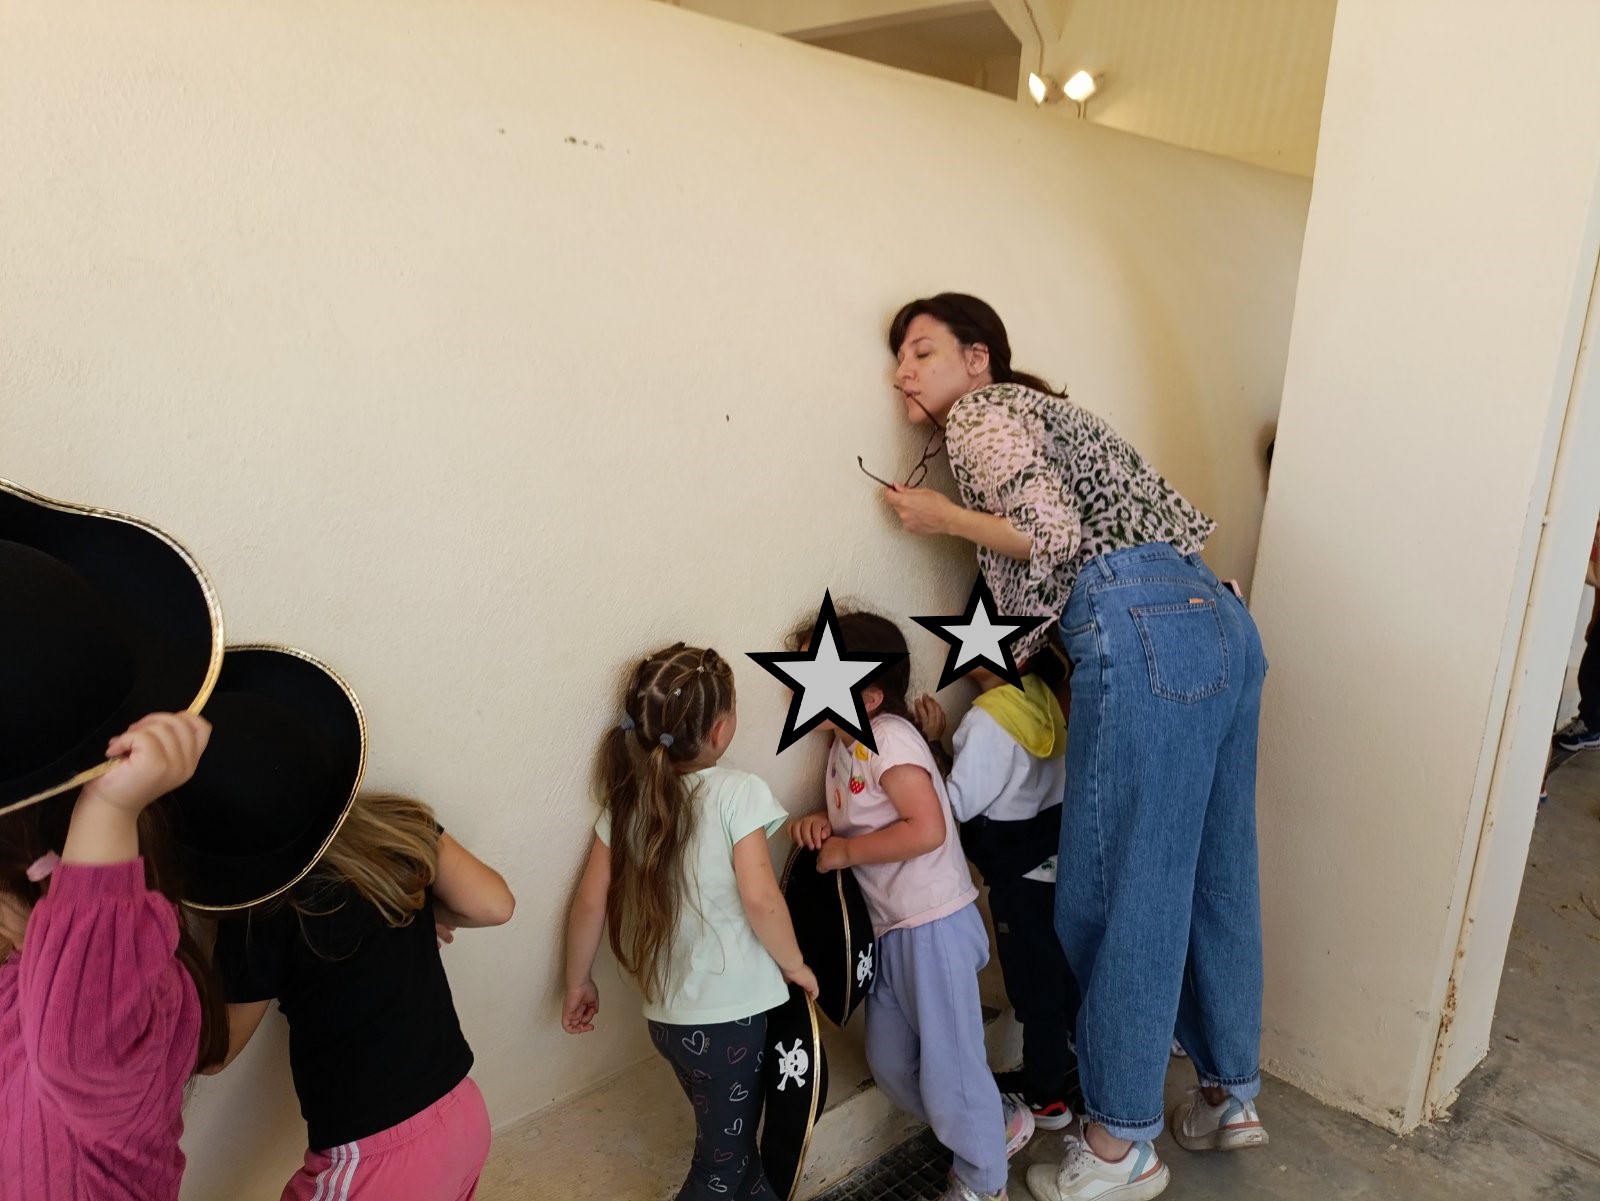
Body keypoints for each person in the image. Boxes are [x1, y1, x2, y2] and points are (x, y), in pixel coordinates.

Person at [879, 294, 1268, 1201]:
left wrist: (942, 517)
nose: (903, 371)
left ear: (979, 358)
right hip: (1220, 617)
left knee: (1120, 886)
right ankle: (1226, 1092)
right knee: (1218, 868)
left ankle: (1119, 1139)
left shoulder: (981, 414)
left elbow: (1048, 537)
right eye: (897, 358)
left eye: (922, 351)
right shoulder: (1055, 416)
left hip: (1141, 628)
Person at [204, 647, 515, 1201]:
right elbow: (495, 904)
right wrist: (415, 909)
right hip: (464, 1112)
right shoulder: (397, 830)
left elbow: (214, 1055)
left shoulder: (263, 912)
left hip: (376, 1162)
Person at [788, 610, 1033, 1201]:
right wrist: (824, 826)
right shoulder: (844, 748)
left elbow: (927, 828)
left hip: (933, 925)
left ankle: (983, 1181)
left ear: (870, 697)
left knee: (952, 1068)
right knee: (893, 1063)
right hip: (892, 929)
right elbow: (870, 817)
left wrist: (847, 851)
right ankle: (992, 1125)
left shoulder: (890, 739)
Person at [562, 643, 817, 1201]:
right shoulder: (738, 793)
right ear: (721, 730)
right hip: (731, 1023)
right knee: (718, 1168)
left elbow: (589, 903)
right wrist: (795, 964)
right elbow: (762, 899)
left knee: (736, 1150)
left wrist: (578, 982)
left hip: (670, 1024)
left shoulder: (626, 803)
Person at [915, 640, 1080, 1132]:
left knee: (1033, 988)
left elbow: (956, 804)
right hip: (1056, 862)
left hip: (1018, 877)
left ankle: (1046, 1098)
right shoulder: (1045, 695)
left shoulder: (987, 718)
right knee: (1061, 975)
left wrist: (933, 744)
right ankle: (1069, 1067)